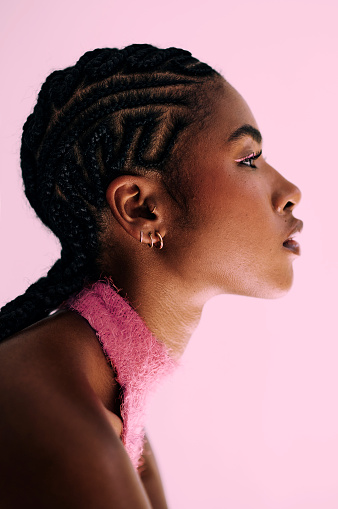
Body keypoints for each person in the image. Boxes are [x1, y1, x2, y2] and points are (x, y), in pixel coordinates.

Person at [0, 44, 302, 508]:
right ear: (141, 207)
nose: (289, 192)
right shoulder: (56, 413)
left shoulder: (115, 401)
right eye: (248, 159)